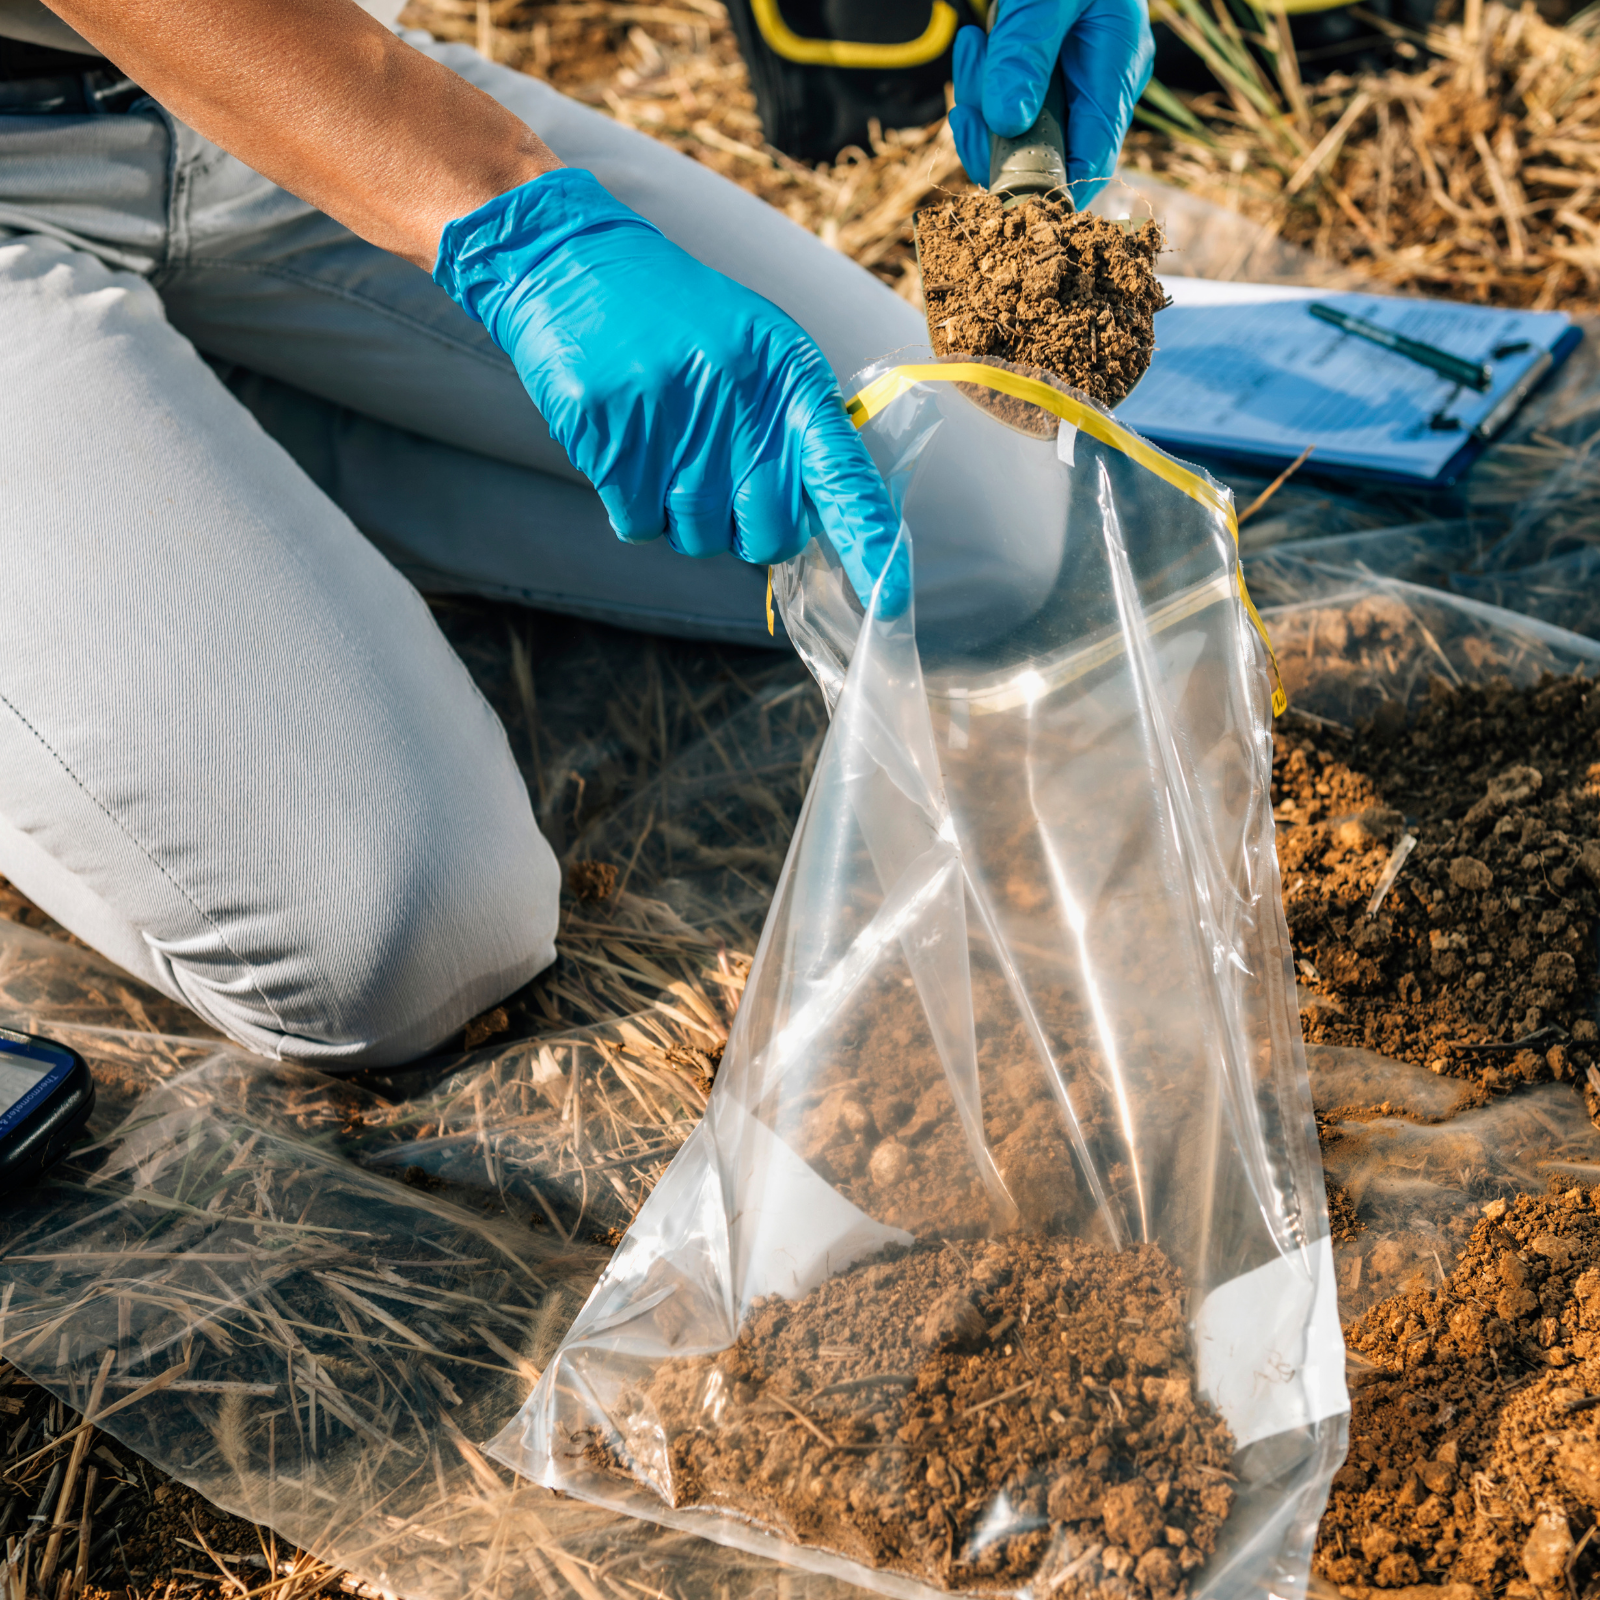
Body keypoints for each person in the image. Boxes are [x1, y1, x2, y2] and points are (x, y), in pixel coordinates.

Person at [0, 0, 1150, 1069]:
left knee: (963, 524)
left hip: (316, 69)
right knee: (404, 932)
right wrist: (516, 230)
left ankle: (232, 425)